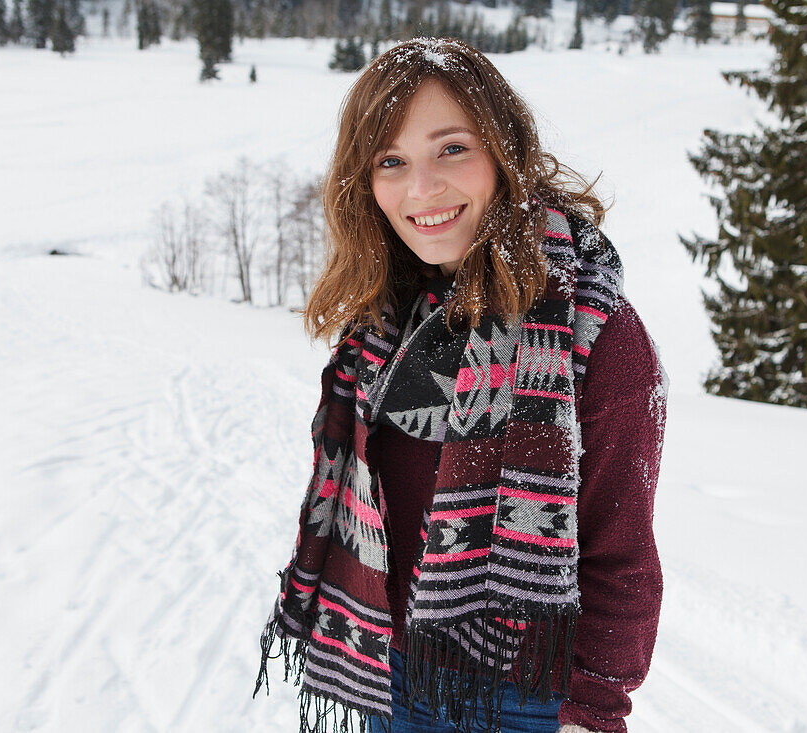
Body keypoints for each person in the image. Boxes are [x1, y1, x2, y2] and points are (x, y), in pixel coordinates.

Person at [254, 37, 668, 733]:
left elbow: (620, 557)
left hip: (525, 696)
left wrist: (590, 714)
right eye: (391, 161)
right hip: (385, 667)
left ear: (503, 148)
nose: (422, 189)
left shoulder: (594, 336)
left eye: (451, 149)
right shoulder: (384, 323)